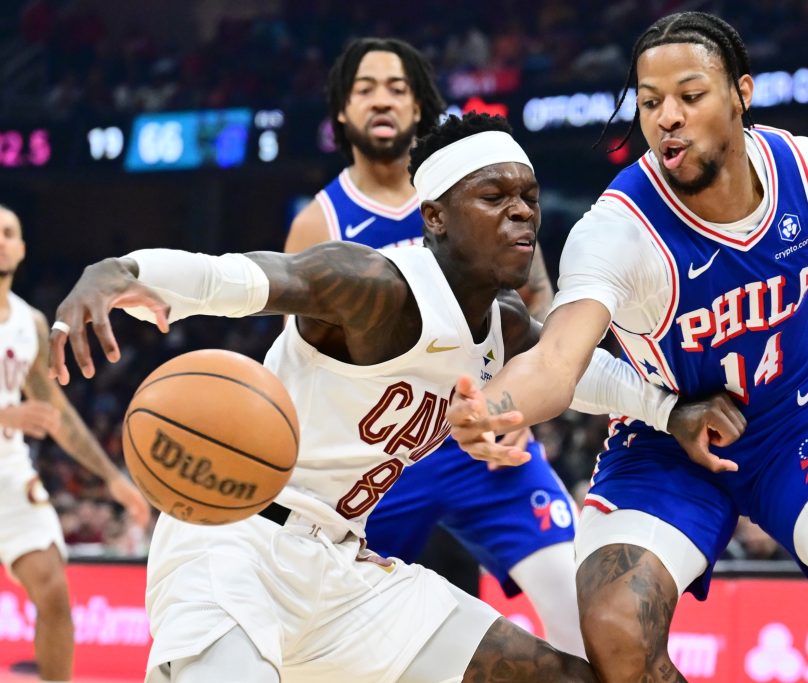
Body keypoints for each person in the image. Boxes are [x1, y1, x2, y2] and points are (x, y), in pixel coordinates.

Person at [48, 114, 736, 683]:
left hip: (345, 569)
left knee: (564, 676)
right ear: (435, 216)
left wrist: (671, 412)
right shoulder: (375, 284)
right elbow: (246, 277)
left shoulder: (503, 324)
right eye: (494, 197)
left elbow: (580, 373)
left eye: (527, 195)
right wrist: (121, 271)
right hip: (234, 547)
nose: (522, 210)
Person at [446, 13, 808, 683]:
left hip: (795, 421)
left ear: (741, 92)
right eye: (651, 102)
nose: (667, 118)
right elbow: (556, 357)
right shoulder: (618, 230)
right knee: (614, 630)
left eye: (690, 95)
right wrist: (498, 405)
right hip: (664, 445)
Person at [284, 38, 583, 653]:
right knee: (352, 648)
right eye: (365, 89)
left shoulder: (485, 191)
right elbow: (295, 364)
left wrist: (517, 397)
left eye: (398, 87)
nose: (382, 100)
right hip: (379, 460)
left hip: (481, 446)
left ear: (421, 106)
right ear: (342, 112)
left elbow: (540, 306)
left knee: (580, 604)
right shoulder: (322, 221)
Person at [0, 205, 150, 683]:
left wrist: (113, 480)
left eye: (8, 232)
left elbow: (57, 414)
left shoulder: (30, 323)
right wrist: (6, 414)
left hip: (8, 472)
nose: (0, 239)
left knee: (54, 594)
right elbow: (19, 412)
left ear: (22, 249)